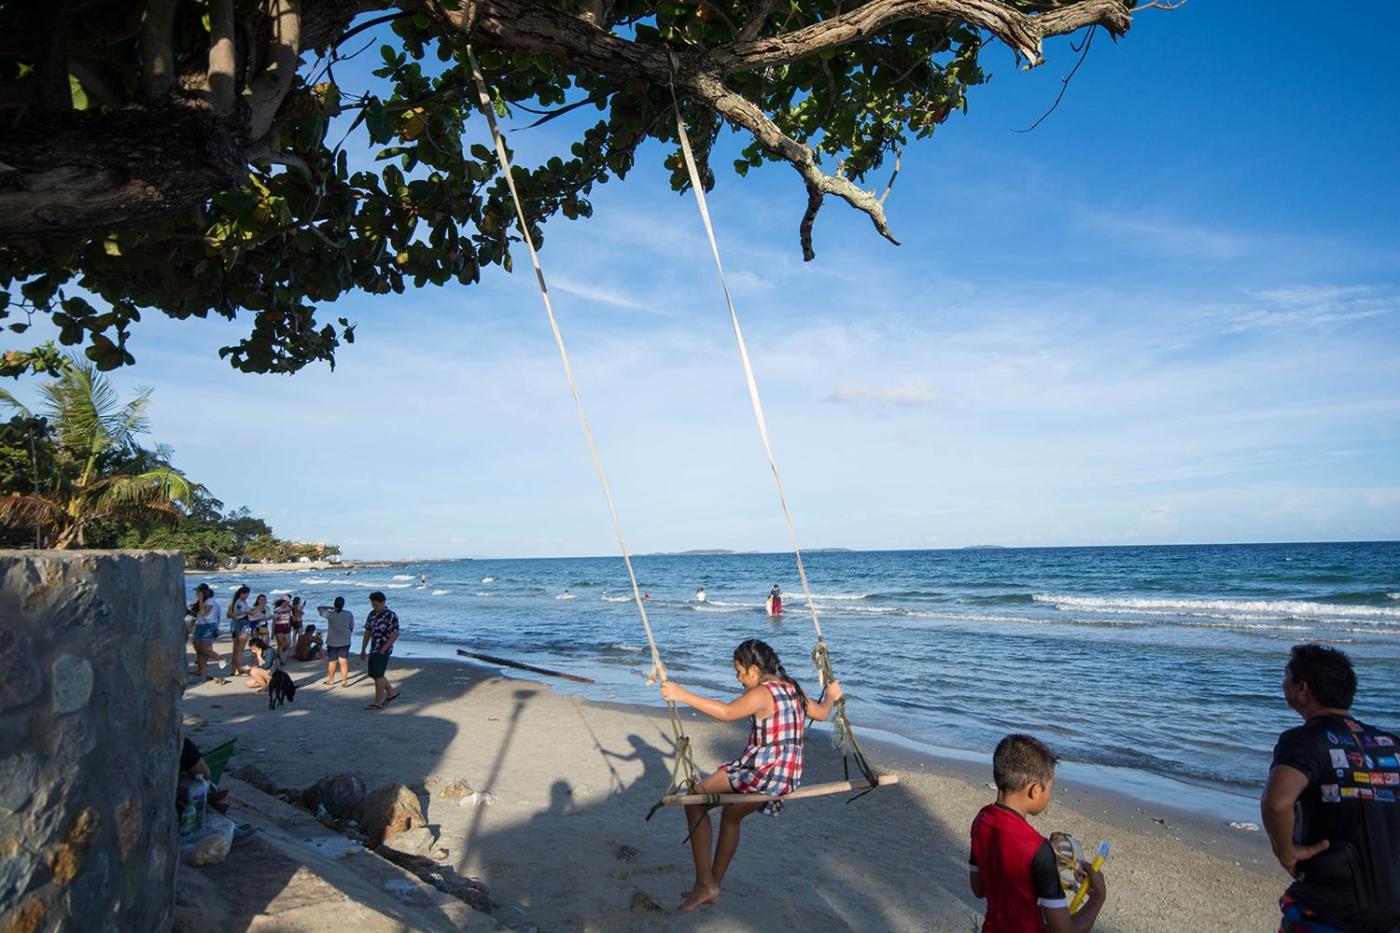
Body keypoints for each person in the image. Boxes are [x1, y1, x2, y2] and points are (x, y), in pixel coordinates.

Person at [659, 639, 843, 913]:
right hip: (787, 776)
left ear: (754, 670)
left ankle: (704, 883)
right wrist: (831, 695)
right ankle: (712, 886)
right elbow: (823, 712)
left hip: (762, 773)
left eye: (740, 672)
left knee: (695, 801)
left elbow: (727, 712)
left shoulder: (762, 693)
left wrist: (681, 694)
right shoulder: (792, 687)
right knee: (731, 816)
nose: (739, 679)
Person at [1263, 644, 1400, 932]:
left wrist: (1285, 850)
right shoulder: (1390, 743)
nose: (1282, 684)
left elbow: (1277, 803)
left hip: (1329, 902)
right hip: (1390, 901)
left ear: (1303, 688)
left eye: (1286, 677)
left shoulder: (1304, 740)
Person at [969, 734, 1107, 933]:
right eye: (1049, 789)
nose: (1049, 796)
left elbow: (979, 888)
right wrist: (1098, 897)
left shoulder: (982, 821)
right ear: (1034, 790)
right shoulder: (1038, 850)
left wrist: (1033, 876)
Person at [360, 591, 400, 710]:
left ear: (383, 603)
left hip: (383, 649)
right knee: (373, 674)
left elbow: (396, 634)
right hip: (374, 648)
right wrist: (363, 649)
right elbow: (368, 631)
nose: (374, 607)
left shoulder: (390, 616)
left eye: (376, 605)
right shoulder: (372, 614)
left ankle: (378, 703)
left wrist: (384, 648)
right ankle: (391, 692)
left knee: (378, 676)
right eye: (373, 605)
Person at [187, 583, 225, 682]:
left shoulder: (210, 601)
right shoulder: (199, 602)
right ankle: (202, 673)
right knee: (199, 650)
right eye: (197, 592)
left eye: (199, 592)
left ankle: (219, 658)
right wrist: (191, 626)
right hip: (200, 626)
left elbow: (203, 612)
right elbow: (194, 615)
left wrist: (200, 600)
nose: (197, 593)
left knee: (204, 649)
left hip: (209, 626)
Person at [318, 596, 355, 687]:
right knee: (343, 661)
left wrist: (330, 607)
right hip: (345, 640)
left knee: (332, 662)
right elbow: (351, 627)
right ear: (343, 605)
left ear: (335, 604)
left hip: (332, 641)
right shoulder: (348, 614)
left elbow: (319, 608)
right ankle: (344, 682)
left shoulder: (330, 614)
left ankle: (331, 680)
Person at [225, 585, 252, 674]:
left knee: (236, 648)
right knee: (239, 649)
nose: (247, 596)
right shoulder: (239, 603)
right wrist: (259, 607)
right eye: (247, 594)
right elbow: (248, 612)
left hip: (235, 624)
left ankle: (235, 669)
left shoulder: (235, 602)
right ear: (242, 594)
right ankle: (238, 668)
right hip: (240, 623)